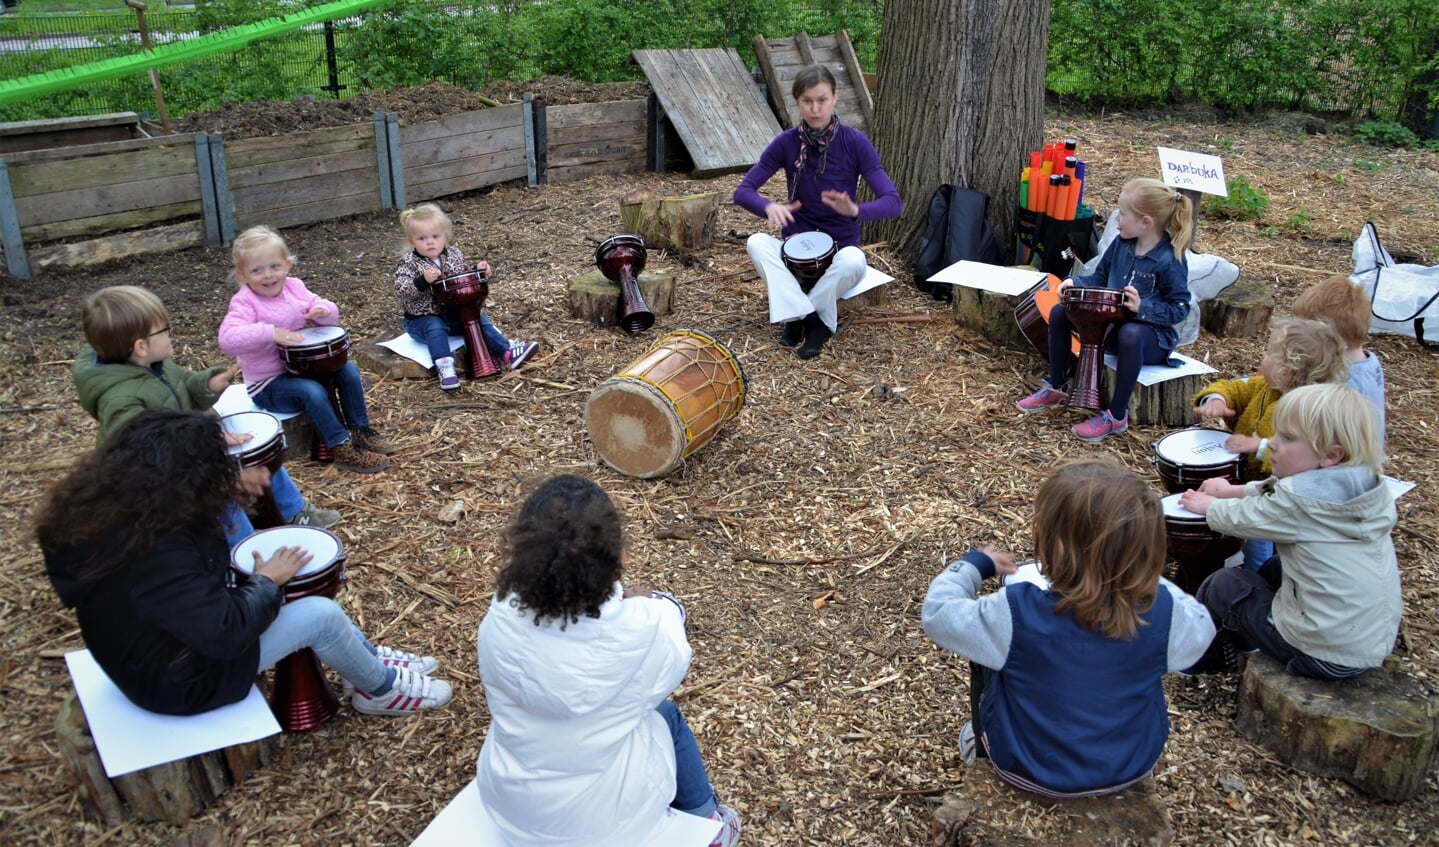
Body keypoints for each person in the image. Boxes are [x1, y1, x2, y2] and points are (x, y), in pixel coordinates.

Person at [36, 408, 451, 717]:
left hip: (159, 649)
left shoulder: (111, 513)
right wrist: (265, 583)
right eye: (218, 467)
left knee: (285, 584)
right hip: (177, 680)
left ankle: (366, 658)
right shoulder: (160, 551)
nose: (226, 472)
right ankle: (378, 690)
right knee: (319, 613)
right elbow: (225, 632)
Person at [475, 474, 741, 847]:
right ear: (620, 556)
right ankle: (708, 821)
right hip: (603, 825)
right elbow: (673, 631)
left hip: (509, 806)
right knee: (666, 716)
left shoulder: (500, 615)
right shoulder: (642, 629)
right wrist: (642, 600)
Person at [922, 461, 1214, 799]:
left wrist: (975, 565)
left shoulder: (1015, 613)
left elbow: (938, 613)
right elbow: (1201, 628)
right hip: (1130, 765)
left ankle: (982, 745)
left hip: (1026, 767)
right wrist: (1142, 576)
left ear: (1054, 547)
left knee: (986, 654)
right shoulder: (1165, 613)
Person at [73, 286, 340, 546]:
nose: (171, 334)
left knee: (257, 453)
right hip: (160, 481)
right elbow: (146, 452)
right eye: (165, 330)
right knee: (221, 495)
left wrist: (207, 384)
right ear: (141, 346)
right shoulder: (121, 400)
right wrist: (210, 447)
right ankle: (245, 553)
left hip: (188, 446)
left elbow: (186, 386)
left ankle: (293, 510)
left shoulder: (154, 364)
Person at [1180, 384, 1399, 680]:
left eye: (1287, 438)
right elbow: (1279, 492)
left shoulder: (1300, 503)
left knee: (1223, 584)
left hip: (1319, 651)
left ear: (1332, 455)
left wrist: (1209, 506)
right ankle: (1256, 629)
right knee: (1275, 567)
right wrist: (1233, 490)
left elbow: (1248, 518)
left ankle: (1202, 661)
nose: (1272, 443)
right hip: (1366, 643)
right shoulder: (1360, 486)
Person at [733, 63, 902, 360]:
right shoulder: (786, 143)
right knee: (756, 242)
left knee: (855, 260)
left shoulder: (855, 142)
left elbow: (893, 202)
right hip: (794, 251)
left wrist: (854, 210)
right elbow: (743, 191)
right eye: (807, 101)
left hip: (839, 250)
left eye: (821, 99)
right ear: (797, 102)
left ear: (835, 97)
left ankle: (797, 316)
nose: (815, 108)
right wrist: (768, 206)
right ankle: (814, 320)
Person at [1016, 177, 1194, 442]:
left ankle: (1116, 415)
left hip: (1150, 341)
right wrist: (1073, 282)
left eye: (1122, 214)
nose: (1117, 219)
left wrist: (1142, 307)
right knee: (1058, 313)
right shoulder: (1122, 244)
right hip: (1111, 328)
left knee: (1131, 333)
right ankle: (1056, 385)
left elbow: (1180, 308)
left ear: (1145, 223)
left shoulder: (1170, 259)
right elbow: (1098, 278)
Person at [218, 226, 392, 473]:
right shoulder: (245, 302)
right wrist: (269, 332)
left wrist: (323, 312)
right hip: (269, 384)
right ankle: (340, 446)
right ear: (242, 274)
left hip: (304, 368)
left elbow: (325, 309)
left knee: (349, 371)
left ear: (287, 264)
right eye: (257, 270)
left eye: (274, 267)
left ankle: (361, 429)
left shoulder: (294, 287)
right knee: (312, 392)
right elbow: (227, 339)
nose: (268, 275)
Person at [1191, 316, 1349, 568]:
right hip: (1256, 486)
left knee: (1260, 539)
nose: (1261, 356)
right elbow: (1235, 389)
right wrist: (1216, 399)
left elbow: (1287, 465)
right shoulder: (1266, 387)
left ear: (1287, 372)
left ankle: (1257, 575)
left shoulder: (1305, 415)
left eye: (1268, 352)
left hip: (1279, 497)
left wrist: (1257, 447)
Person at [391, 203, 539, 390]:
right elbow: (400, 290)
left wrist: (478, 273)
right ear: (411, 241)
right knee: (434, 326)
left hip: (451, 313)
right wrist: (422, 281)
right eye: (422, 238)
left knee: (478, 319)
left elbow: (462, 277)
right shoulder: (408, 263)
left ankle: (507, 352)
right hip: (420, 320)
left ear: (445, 236)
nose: (430, 242)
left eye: (435, 236)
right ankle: (445, 367)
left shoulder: (454, 254)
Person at [1292, 274, 1385, 436]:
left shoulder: (1342, 383)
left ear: (1327, 340)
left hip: (1342, 457)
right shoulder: (1368, 362)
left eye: (1302, 333)